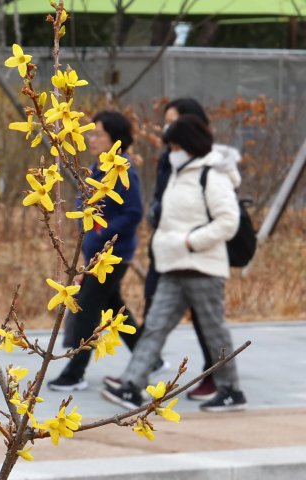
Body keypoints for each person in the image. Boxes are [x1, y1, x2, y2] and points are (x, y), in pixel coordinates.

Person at [101, 114, 247, 412]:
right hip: (172, 266)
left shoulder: (212, 175)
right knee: (154, 326)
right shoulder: (180, 172)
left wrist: (190, 241)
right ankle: (132, 384)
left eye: (175, 145)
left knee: (213, 330)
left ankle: (231, 389)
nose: (171, 151)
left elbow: (227, 222)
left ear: (188, 145)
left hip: (202, 268)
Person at [48, 111, 149, 392]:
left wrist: (100, 230)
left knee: (87, 308)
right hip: (96, 256)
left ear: (115, 139)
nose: (91, 138)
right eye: (90, 133)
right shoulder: (97, 168)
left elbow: (133, 212)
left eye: (98, 134)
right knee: (116, 308)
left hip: (113, 257)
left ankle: (75, 371)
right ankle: (148, 359)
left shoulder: (122, 169)